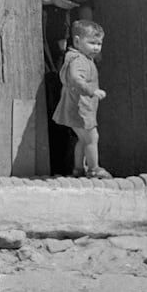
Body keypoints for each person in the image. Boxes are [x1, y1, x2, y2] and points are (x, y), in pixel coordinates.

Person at [39, 0, 93, 175]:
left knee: (74, 95)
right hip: (42, 37)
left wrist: (86, 40)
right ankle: (54, 166)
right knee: (51, 95)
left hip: (70, 38)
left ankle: (76, 167)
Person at [52, 19, 112, 179]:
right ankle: (94, 169)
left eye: (99, 44)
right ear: (77, 41)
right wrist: (92, 90)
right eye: (92, 43)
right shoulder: (78, 60)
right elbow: (76, 79)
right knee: (92, 138)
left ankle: (78, 169)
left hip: (79, 108)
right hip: (80, 108)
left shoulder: (82, 57)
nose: (96, 47)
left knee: (83, 139)